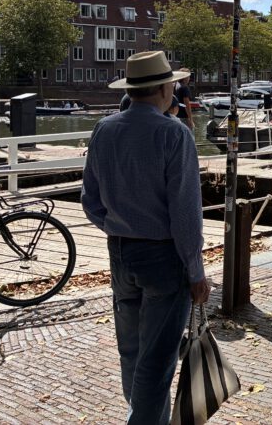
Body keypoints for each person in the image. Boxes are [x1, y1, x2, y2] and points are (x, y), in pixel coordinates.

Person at [81, 51, 211, 424]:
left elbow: (89, 199)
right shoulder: (174, 133)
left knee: (132, 352)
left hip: (120, 253)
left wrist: (117, 226)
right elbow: (185, 213)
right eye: (173, 83)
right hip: (163, 258)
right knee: (157, 362)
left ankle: (142, 414)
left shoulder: (104, 128)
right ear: (163, 87)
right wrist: (195, 270)